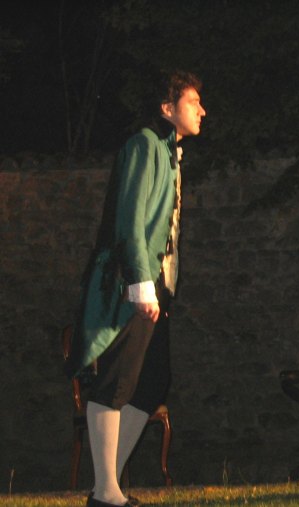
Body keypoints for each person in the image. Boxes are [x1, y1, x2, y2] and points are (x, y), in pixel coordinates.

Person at [65, 70, 206, 507]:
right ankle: (107, 492)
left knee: (153, 382)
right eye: (193, 102)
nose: (202, 110)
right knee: (116, 380)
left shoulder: (168, 152)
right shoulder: (144, 144)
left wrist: (161, 287)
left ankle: (105, 488)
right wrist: (141, 285)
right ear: (167, 108)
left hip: (155, 286)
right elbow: (129, 219)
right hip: (129, 283)